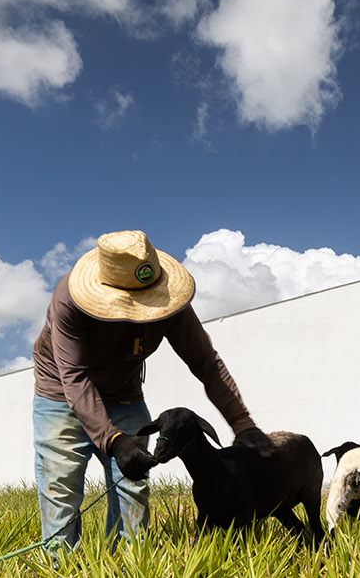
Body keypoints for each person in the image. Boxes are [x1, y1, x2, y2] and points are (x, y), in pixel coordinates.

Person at [31, 229, 273, 546]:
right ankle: (59, 566)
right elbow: (74, 376)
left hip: (125, 395)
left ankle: (127, 563)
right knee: (60, 488)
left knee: (132, 486)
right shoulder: (68, 299)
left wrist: (242, 423)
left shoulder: (171, 302)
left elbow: (206, 363)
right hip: (61, 394)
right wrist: (113, 441)